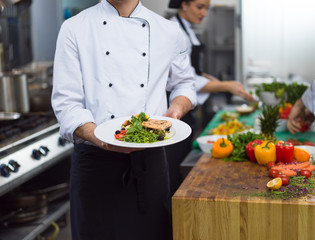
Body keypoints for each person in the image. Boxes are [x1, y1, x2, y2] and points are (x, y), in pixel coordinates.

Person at [51, 0, 196, 239]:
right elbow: (67, 103)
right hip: (95, 165)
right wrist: (98, 136)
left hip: (150, 163)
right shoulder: (74, 28)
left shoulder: (168, 31)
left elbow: (184, 83)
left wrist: (176, 110)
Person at [166, 0, 255, 195]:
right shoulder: (174, 30)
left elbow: (190, 72)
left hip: (186, 107)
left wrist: (209, 78)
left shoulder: (187, 29)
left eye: (206, 7)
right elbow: (183, 80)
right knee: (174, 165)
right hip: (174, 108)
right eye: (200, 7)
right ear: (184, 4)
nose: (204, 13)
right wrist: (226, 85)